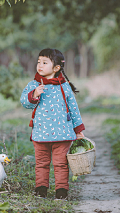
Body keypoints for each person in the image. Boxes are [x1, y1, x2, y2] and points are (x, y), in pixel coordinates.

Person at [21, 47, 85, 199]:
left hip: (62, 135)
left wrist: (78, 129)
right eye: (39, 62)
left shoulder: (64, 87)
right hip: (40, 134)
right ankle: (41, 189)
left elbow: (74, 109)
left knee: (61, 164)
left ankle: (61, 191)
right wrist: (34, 94)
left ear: (56, 68)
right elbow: (25, 102)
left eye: (44, 62)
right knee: (41, 164)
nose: (40, 65)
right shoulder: (34, 85)